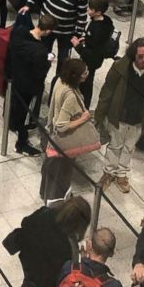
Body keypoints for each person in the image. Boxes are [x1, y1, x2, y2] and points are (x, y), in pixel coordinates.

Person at [96, 38, 144, 195]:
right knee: (114, 146)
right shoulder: (120, 67)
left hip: (139, 119)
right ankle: (108, 172)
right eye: (140, 56)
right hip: (118, 115)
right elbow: (107, 91)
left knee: (128, 148)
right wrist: (100, 115)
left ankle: (121, 175)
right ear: (133, 54)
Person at [40, 58, 94, 202]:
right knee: (61, 173)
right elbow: (62, 125)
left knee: (50, 168)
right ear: (75, 76)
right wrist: (84, 118)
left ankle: (45, 194)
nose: (87, 74)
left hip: (52, 137)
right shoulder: (70, 95)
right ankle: (57, 200)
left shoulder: (59, 80)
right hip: (64, 141)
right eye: (84, 72)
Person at [21, 0, 88, 68]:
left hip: (66, 32)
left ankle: (57, 83)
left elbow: (82, 16)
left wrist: (77, 34)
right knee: (43, 56)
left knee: (63, 61)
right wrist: (28, 5)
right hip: (46, 28)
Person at [6, 13, 58, 156]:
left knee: (14, 105)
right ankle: (21, 144)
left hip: (14, 77)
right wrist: (48, 61)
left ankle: (11, 124)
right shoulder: (40, 51)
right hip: (28, 86)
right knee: (24, 114)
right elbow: (39, 74)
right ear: (48, 31)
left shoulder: (18, 32)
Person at [73, 0, 117, 108]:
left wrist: (77, 46)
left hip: (92, 60)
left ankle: (84, 107)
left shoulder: (99, 30)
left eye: (90, 9)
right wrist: (86, 39)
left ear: (98, 12)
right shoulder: (105, 21)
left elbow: (93, 51)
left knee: (86, 83)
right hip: (92, 55)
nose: (87, 10)